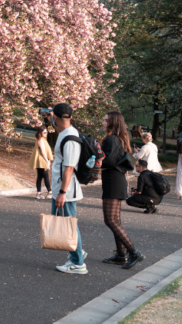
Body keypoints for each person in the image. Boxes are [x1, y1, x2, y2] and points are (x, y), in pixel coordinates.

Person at [99, 111, 144, 269]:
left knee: (110, 220)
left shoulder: (112, 139)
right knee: (115, 220)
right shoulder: (119, 138)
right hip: (115, 180)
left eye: (106, 120)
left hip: (113, 181)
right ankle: (121, 254)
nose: (103, 122)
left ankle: (133, 252)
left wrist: (96, 160)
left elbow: (109, 161)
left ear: (113, 122)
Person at [47, 103, 88, 274]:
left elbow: (70, 167)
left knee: (69, 225)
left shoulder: (70, 138)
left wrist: (62, 193)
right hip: (63, 188)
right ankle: (77, 253)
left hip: (67, 190)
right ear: (70, 117)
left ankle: (78, 263)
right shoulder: (66, 133)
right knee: (68, 224)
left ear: (56, 117)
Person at [29, 126, 54, 199]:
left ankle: (39, 193)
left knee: (39, 177)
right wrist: (47, 160)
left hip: (40, 160)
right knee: (46, 176)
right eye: (44, 132)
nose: (46, 134)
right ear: (40, 133)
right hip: (42, 160)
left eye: (47, 132)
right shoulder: (40, 140)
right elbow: (43, 152)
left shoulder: (42, 139)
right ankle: (50, 192)